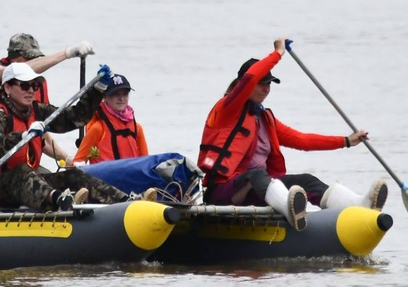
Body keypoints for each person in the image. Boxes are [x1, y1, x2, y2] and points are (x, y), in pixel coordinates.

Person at [197, 40, 387, 230]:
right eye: (261, 84)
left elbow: (302, 140)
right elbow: (250, 77)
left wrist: (345, 141)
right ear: (244, 86)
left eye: (269, 84)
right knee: (256, 175)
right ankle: (290, 211)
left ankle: (357, 207)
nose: (266, 89)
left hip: (258, 190)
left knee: (306, 180)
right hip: (223, 191)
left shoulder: (265, 119)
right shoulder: (227, 109)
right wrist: (278, 53)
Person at [0, 62, 132, 212]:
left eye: (35, 86)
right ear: (7, 87)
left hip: (25, 181)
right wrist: (23, 136)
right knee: (21, 171)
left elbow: (73, 118)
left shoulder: (36, 110)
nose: (31, 90)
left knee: (73, 175)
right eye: (25, 86)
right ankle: (61, 201)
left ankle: (124, 201)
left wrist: (98, 90)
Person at [0, 33, 95, 149]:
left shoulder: (33, 87)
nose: (30, 89)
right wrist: (67, 53)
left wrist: (67, 160)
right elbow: (14, 72)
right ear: (14, 59)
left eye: (38, 59)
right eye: (30, 59)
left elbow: (41, 132)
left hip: (20, 157)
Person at [73, 73, 150, 164]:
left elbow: (146, 163)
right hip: (102, 178)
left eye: (125, 94)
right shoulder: (98, 129)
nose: (121, 98)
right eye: (115, 94)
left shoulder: (137, 128)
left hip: (131, 177)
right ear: (105, 97)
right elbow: (77, 162)